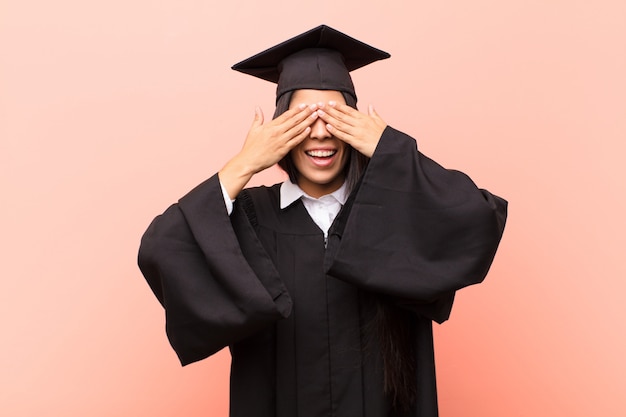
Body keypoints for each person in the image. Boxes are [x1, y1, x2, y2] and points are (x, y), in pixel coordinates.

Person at [138, 25, 508, 417]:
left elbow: (479, 219)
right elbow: (162, 249)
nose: (319, 133)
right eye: (301, 119)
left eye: (335, 117)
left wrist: (391, 153)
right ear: (279, 128)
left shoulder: (393, 213)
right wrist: (244, 163)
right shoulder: (248, 216)